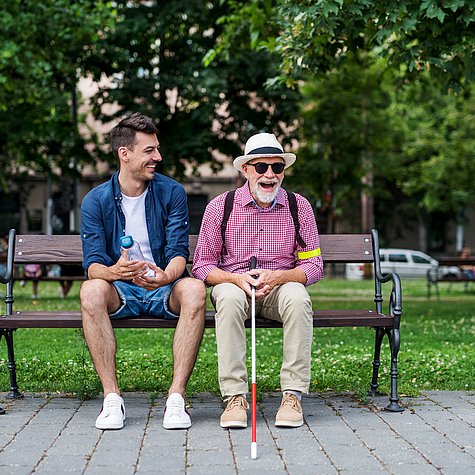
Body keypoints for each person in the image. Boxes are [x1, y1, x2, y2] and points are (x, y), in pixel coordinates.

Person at [80, 112, 206, 431]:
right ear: (125, 153)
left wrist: (166, 275)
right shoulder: (95, 201)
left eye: (157, 149)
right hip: (121, 288)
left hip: (163, 285)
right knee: (90, 290)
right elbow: (93, 265)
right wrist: (115, 271)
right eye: (149, 150)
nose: (158, 157)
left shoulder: (171, 192)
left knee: (193, 289)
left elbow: (179, 253)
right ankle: (112, 399)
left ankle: (176, 398)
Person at [192, 132, 324, 429]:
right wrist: (235, 279)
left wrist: (279, 277)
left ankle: (292, 395)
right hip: (235, 286)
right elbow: (202, 266)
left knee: (298, 296)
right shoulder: (220, 206)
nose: (269, 174)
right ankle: (235, 397)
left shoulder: (298, 206)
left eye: (277, 168)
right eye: (261, 167)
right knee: (225, 296)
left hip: (279, 288)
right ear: (246, 169)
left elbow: (314, 265)